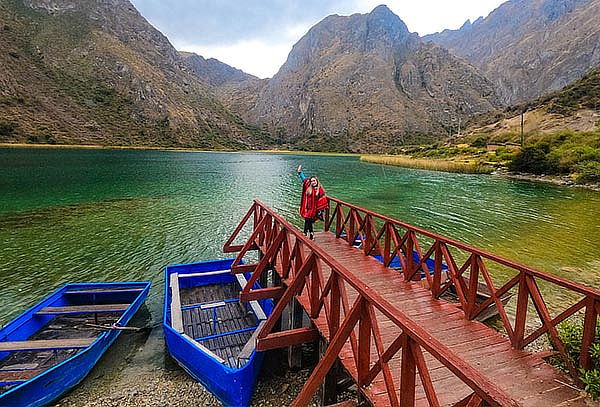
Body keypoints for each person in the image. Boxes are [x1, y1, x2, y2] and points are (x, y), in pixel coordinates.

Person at [297, 164, 326, 240]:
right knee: (308, 220)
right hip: (307, 207)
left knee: (307, 219)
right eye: (311, 181)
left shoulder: (320, 190)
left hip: (315, 208)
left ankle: (305, 232)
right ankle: (311, 234)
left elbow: (323, 200)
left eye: (314, 181)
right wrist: (299, 172)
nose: (313, 182)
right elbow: (303, 179)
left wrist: (320, 210)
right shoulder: (308, 186)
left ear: (317, 181)